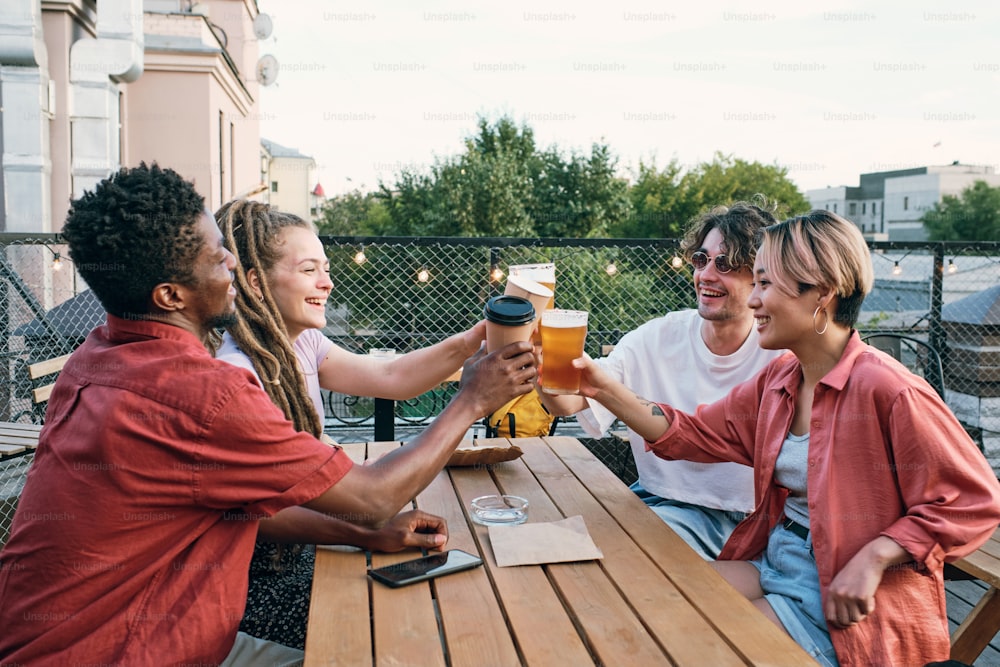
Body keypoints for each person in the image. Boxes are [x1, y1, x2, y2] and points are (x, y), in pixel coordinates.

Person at [0, 163, 536, 666]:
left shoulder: (97, 354)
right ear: (169, 295)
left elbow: (227, 506)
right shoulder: (206, 396)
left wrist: (363, 536)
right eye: (216, 257)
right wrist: (470, 401)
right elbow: (373, 499)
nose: (232, 260)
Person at [566, 210, 1000, 666]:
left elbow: (974, 502)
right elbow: (691, 434)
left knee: (693, 649)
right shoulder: (782, 378)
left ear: (823, 295)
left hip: (839, 599)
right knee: (649, 604)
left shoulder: (888, 389)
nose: (753, 301)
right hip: (776, 561)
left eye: (765, 285)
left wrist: (874, 556)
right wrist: (603, 388)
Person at [212, 198, 491, 648]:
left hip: (305, 551)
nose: (327, 281)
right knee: (403, 633)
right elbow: (256, 516)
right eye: (309, 270)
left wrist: (472, 341)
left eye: (325, 267)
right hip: (258, 581)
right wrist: (361, 530)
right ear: (255, 283)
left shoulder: (300, 343)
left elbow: (391, 376)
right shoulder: (237, 373)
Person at [539, 200, 785, 558]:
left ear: (761, 275)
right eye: (701, 260)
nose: (706, 275)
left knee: (607, 554)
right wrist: (538, 360)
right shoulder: (657, 337)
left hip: (738, 519)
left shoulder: (780, 353)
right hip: (651, 498)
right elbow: (568, 402)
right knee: (549, 535)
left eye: (727, 264)